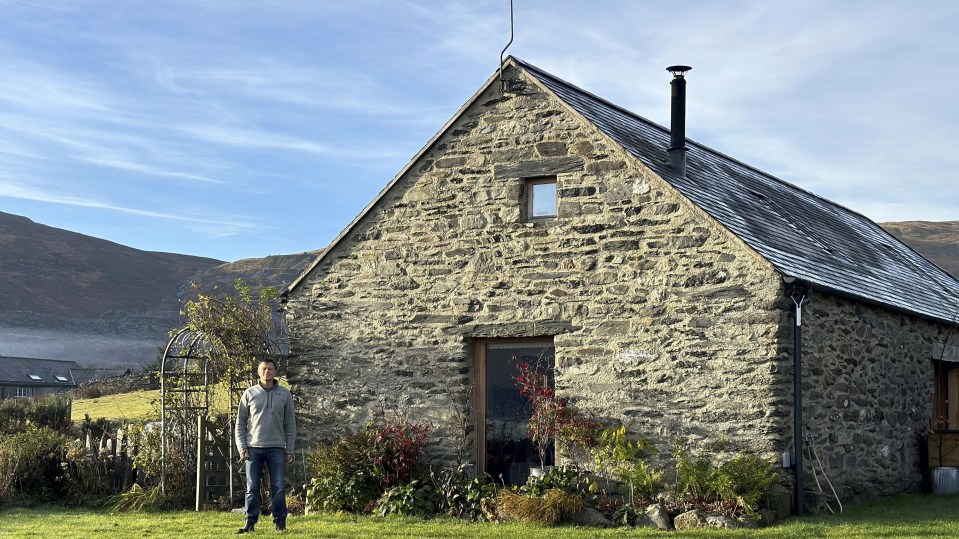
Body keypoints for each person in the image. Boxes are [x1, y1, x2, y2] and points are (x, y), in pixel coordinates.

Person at [235, 358, 296, 533]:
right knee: (252, 487)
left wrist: (289, 448)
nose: (267, 372)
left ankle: (280, 522)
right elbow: (240, 423)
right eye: (263, 369)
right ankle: (249, 523)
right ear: (258, 372)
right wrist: (242, 447)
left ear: (275, 372)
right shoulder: (249, 393)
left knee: (278, 486)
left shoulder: (284, 394)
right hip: (253, 448)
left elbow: (290, 424)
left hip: (277, 448)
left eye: (270, 369)